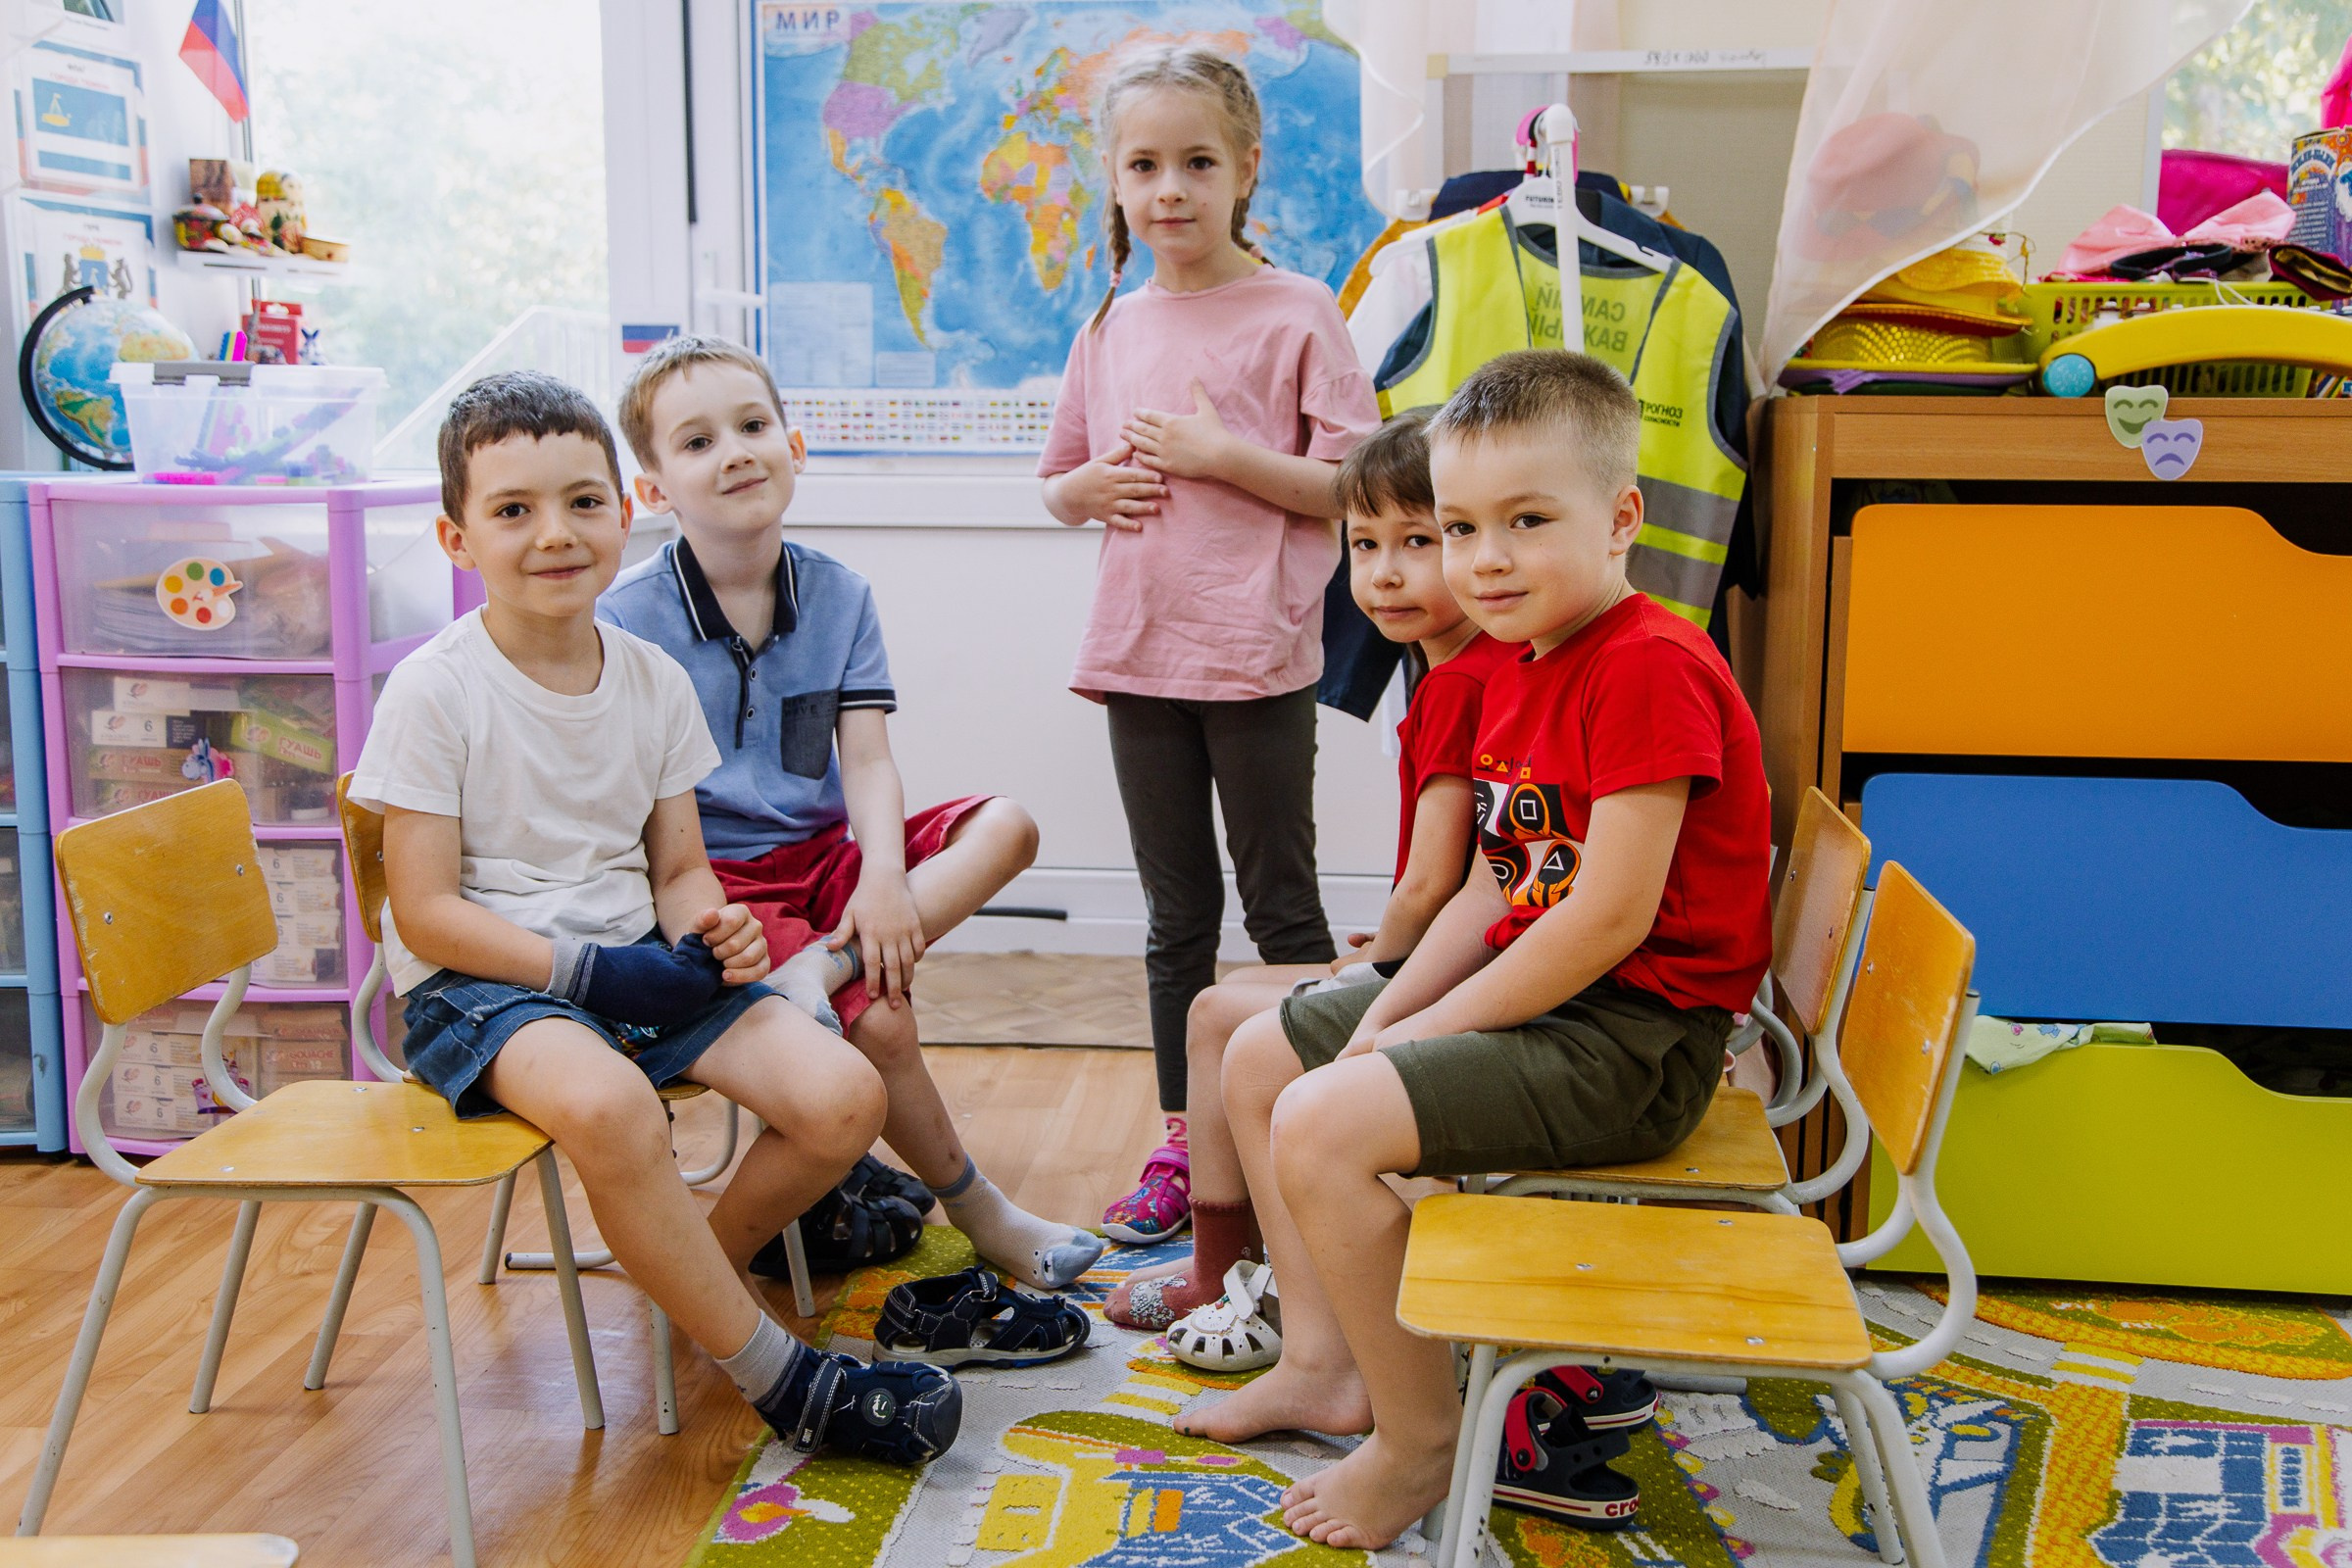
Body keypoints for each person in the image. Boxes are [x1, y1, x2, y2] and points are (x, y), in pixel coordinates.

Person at [1175, 351, 1773, 1548]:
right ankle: (1325, 1365)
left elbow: (1604, 919)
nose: (1484, 559)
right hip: (1563, 1005)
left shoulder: (1647, 665)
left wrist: (1415, 1031)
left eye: (1526, 521)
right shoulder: (1526, 658)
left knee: (1323, 1122)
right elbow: (1501, 879)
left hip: (1638, 1040)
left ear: (1622, 519)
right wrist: (1383, 1008)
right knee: (1259, 1058)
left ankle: (1420, 1441)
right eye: (1460, 527)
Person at [353, 371, 960, 1465]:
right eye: (513, 510)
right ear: (456, 539)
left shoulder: (650, 678)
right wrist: (584, 975)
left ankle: (693, 1280)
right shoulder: (435, 689)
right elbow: (427, 914)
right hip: (481, 987)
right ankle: (777, 1374)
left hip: (632, 959)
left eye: (583, 501)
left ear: (625, 511)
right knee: (616, 1107)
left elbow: (679, 866)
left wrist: (711, 926)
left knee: (844, 1094)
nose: (556, 532)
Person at [601, 335, 1102, 1292]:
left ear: (794, 446)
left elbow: (867, 762)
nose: (736, 452)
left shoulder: (840, 593)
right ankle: (981, 1209)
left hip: (824, 859)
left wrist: (882, 882)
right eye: (699, 442)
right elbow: (650, 830)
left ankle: (825, 967)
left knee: (1008, 825)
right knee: (882, 1027)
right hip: (717, 881)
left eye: (753, 426)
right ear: (656, 489)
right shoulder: (628, 618)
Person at [1037, 43, 1380, 1247]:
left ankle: (1309, 1127)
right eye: (1143, 166)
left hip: (1257, 656)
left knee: (1283, 909)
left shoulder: (1298, 310)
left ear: (1245, 169)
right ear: (1115, 179)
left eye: (1196, 162)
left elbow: (1354, 485)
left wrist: (1219, 455)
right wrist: (1089, 489)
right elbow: (1057, 482)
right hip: (1139, 658)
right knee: (1175, 918)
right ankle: (1186, 1141)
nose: (1169, 188)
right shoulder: (1111, 323)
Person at [1103, 408, 1515, 1333]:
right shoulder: (1454, 669)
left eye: (1419, 541)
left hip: (1459, 974)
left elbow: (1433, 881)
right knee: (1221, 1006)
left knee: (1217, 1016)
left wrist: (1375, 958)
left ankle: (1239, 1279)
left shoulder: (1461, 682)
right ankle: (1239, 1268)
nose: (1385, 574)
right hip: (1460, 957)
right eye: (1364, 545)